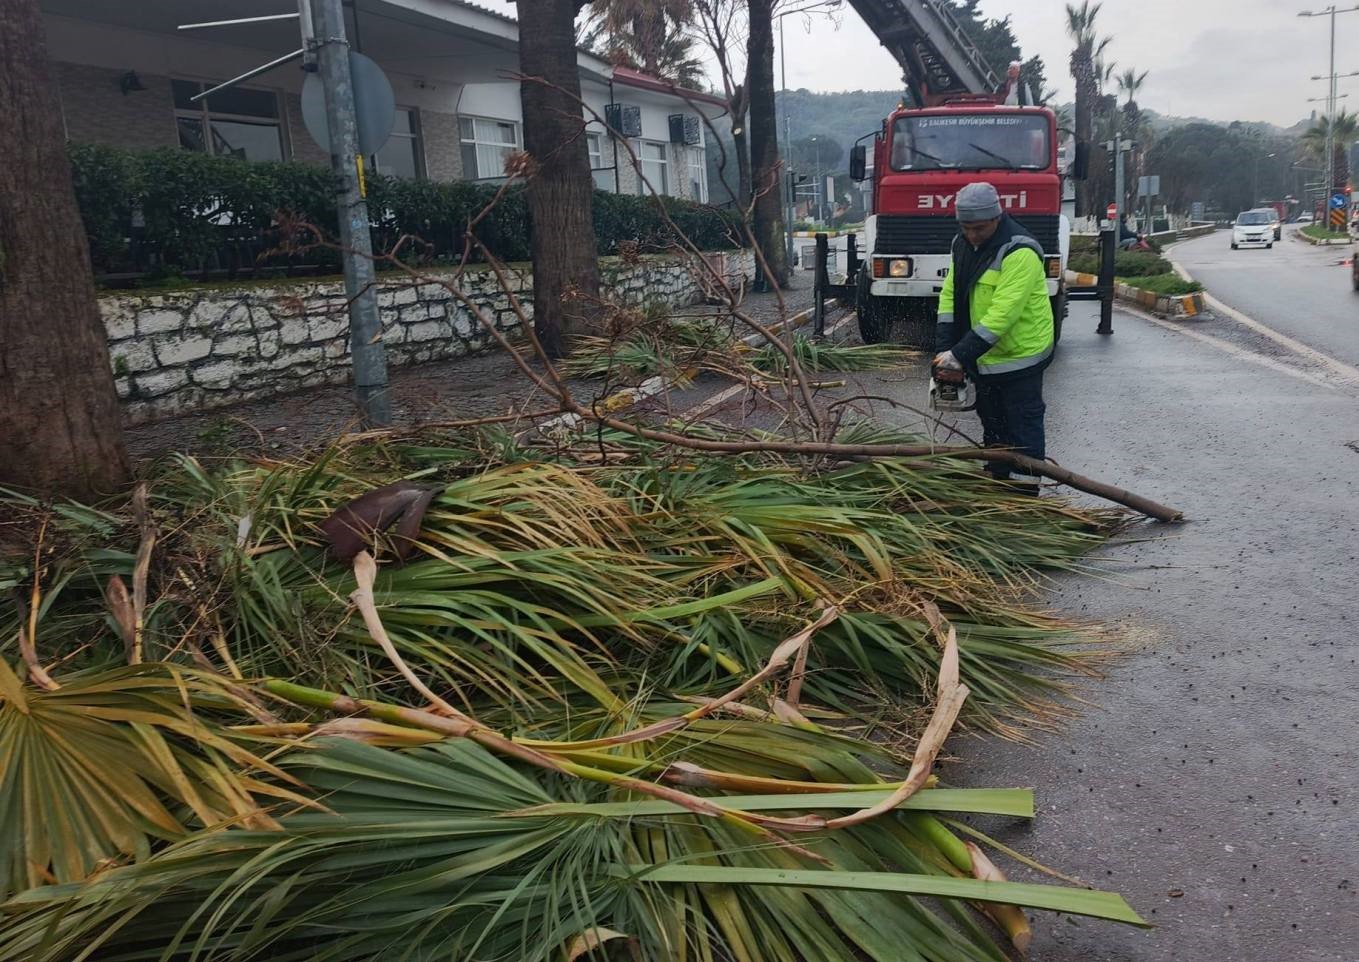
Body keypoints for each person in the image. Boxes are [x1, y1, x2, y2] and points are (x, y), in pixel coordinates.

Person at [933, 182, 1054, 491]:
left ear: (997, 218)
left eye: (980, 228)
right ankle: (998, 480)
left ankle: (1025, 491)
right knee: (993, 420)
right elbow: (950, 296)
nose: (972, 235)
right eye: (966, 227)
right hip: (984, 356)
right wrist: (944, 348)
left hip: (1019, 355)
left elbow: (1003, 314)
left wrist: (960, 354)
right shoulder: (961, 244)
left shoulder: (1020, 250)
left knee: (1022, 422)